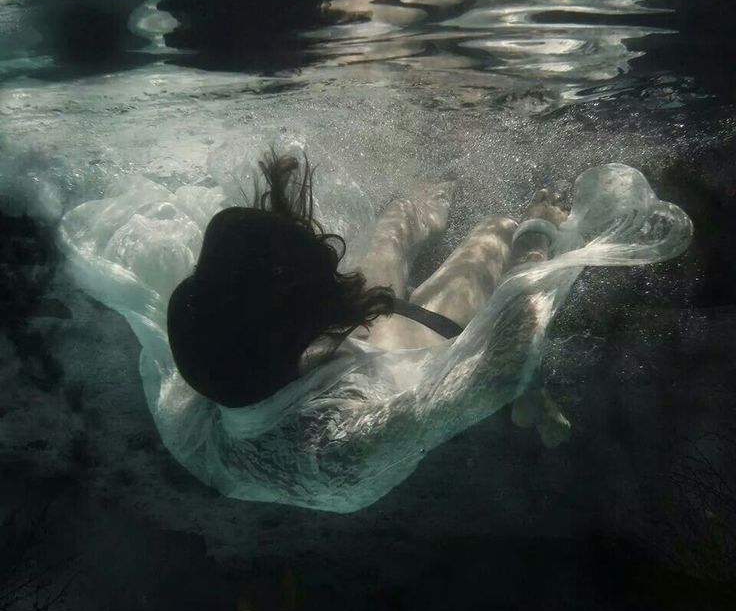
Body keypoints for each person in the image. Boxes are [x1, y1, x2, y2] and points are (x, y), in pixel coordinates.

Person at [60, 150, 692, 512]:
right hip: (403, 355)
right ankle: (526, 235)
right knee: (496, 235)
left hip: (320, 353)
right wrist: (539, 241)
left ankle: (446, 168)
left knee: (397, 220)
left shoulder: (190, 388)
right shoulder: (338, 450)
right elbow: (492, 373)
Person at [166, 151, 567, 424]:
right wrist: (538, 232)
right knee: (500, 227)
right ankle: (531, 215)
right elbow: (501, 367)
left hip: (336, 333)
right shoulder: (345, 442)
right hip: (412, 342)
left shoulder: (203, 331)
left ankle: (446, 179)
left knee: (402, 211)